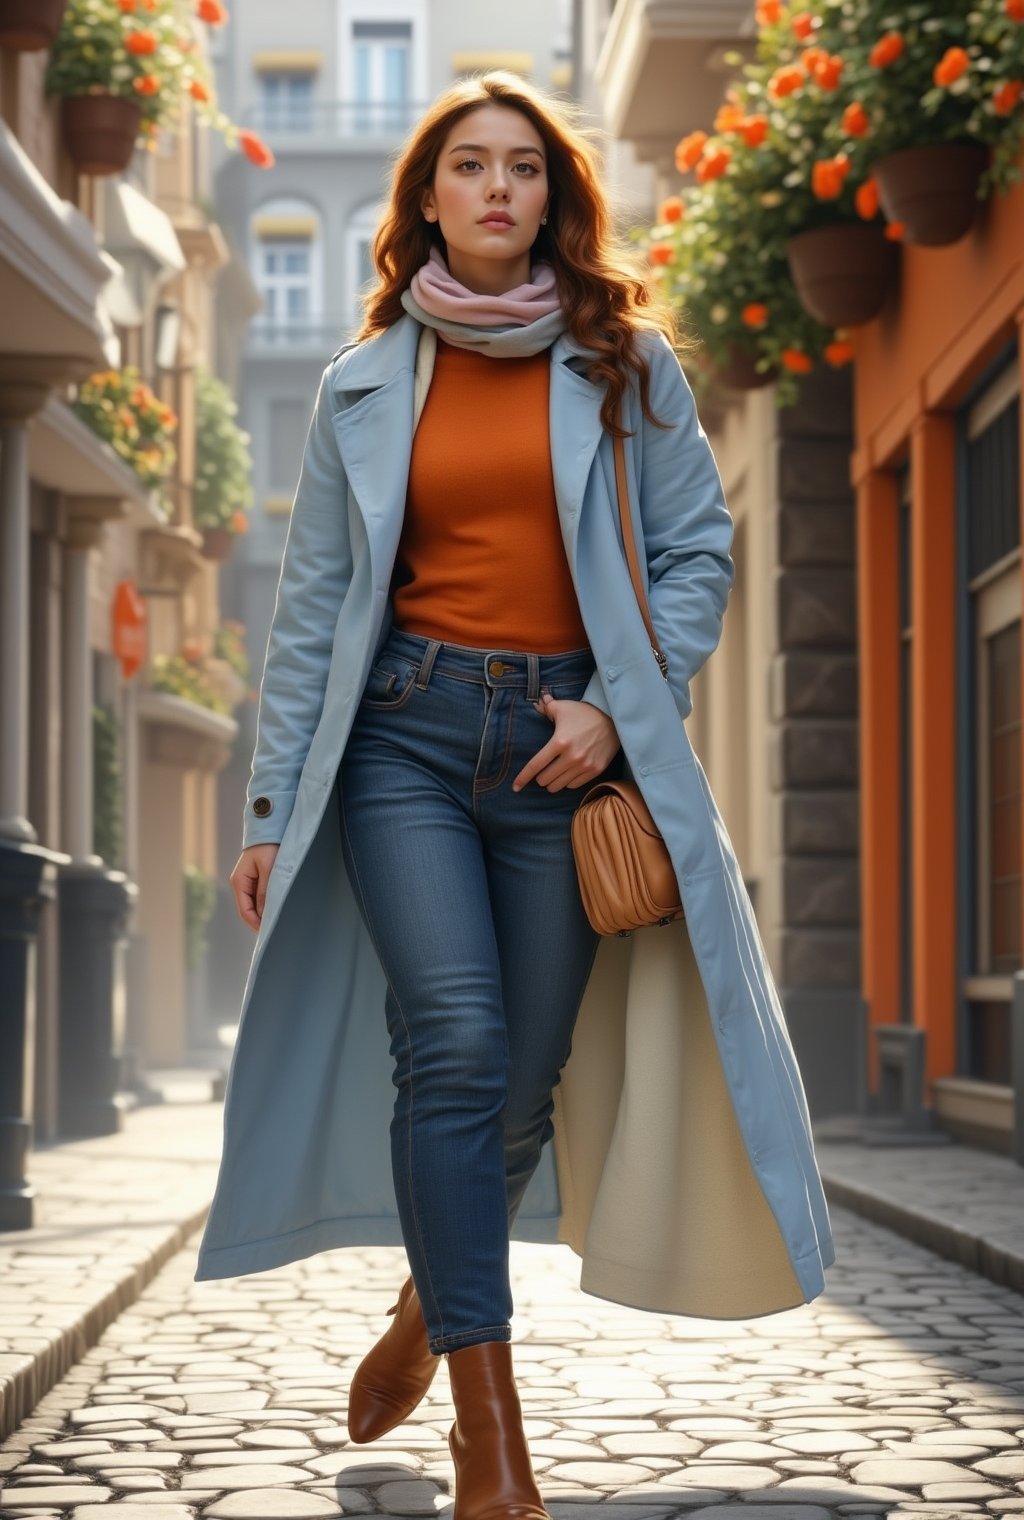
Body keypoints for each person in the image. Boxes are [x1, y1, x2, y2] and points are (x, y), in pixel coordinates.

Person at [203, 69, 834, 1520]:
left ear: (556, 196)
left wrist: (617, 707)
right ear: (427, 196)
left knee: (528, 1075)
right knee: (459, 1043)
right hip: (404, 742)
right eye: (471, 167)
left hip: (565, 751)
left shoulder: (626, 362)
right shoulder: (360, 383)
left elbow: (697, 556)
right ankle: (493, 1437)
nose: (499, 189)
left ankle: (436, 1309)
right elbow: (311, 614)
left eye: (526, 168)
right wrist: (268, 808)